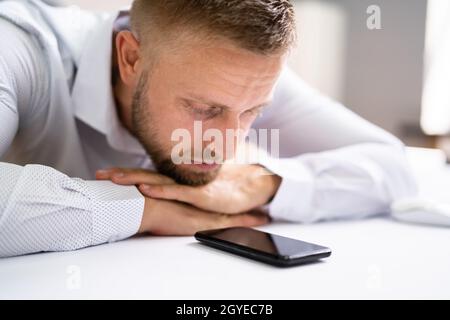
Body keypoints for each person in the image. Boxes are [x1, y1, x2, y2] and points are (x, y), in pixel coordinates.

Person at [0, 0, 416, 257]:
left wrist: (260, 184)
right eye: (203, 108)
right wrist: (146, 209)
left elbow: (395, 168)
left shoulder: (239, 75)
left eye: (254, 111)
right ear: (130, 59)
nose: (229, 141)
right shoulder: (17, 48)